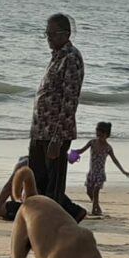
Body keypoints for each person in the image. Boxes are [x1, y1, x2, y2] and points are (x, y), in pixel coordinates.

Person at [27, 13, 87, 222]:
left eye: (52, 34)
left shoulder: (71, 58)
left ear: (65, 34)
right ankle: (65, 215)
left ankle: (64, 218)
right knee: (38, 180)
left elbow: (70, 101)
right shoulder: (57, 56)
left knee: (53, 186)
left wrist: (57, 139)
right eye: (46, 34)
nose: (48, 38)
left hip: (55, 132)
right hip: (41, 129)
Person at [73, 121, 129, 216]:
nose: (99, 136)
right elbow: (81, 151)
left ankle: (94, 210)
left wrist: (123, 171)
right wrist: (72, 154)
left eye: (102, 134)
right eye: (98, 133)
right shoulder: (92, 142)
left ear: (107, 135)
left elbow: (115, 160)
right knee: (89, 191)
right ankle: (97, 207)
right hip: (91, 173)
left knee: (96, 191)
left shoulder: (108, 148)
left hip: (100, 174)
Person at [0, 156, 29, 221]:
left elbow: (9, 187)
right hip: (46, 206)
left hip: (34, 210)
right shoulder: (45, 162)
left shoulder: (25, 163)